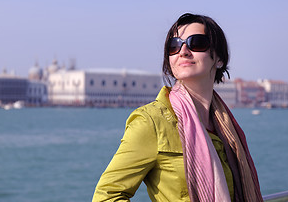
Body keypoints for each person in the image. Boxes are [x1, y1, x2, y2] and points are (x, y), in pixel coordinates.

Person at [92, 13, 263, 202]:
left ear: (219, 58)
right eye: (174, 46)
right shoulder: (151, 121)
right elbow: (107, 196)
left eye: (196, 43)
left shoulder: (227, 129)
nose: (183, 51)